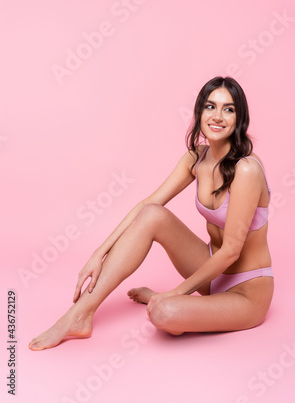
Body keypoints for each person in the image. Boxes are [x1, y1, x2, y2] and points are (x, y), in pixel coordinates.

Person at [29, 76, 274, 351]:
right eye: (210, 107)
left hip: (246, 291)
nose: (217, 116)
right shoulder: (197, 158)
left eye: (228, 109)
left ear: (239, 118)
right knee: (151, 214)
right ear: (199, 112)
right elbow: (147, 204)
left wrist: (173, 294)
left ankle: (174, 303)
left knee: (164, 313)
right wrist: (99, 252)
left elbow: (230, 251)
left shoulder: (247, 170)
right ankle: (78, 316)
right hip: (208, 271)